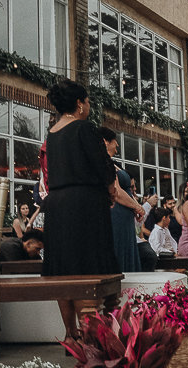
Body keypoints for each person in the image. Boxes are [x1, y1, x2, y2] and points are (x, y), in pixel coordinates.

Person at [42, 81, 119, 338]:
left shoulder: (52, 133)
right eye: (87, 102)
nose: (88, 107)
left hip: (57, 204)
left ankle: (70, 332)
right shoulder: (84, 128)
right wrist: (111, 189)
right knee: (89, 267)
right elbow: (101, 163)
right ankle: (93, 334)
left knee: (64, 270)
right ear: (79, 103)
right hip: (84, 204)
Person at [99, 127, 144, 272]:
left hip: (124, 217)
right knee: (119, 249)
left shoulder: (113, 163)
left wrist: (134, 205)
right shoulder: (103, 163)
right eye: (114, 141)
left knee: (127, 248)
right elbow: (116, 191)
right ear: (105, 142)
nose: (117, 145)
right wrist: (138, 207)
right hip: (116, 214)